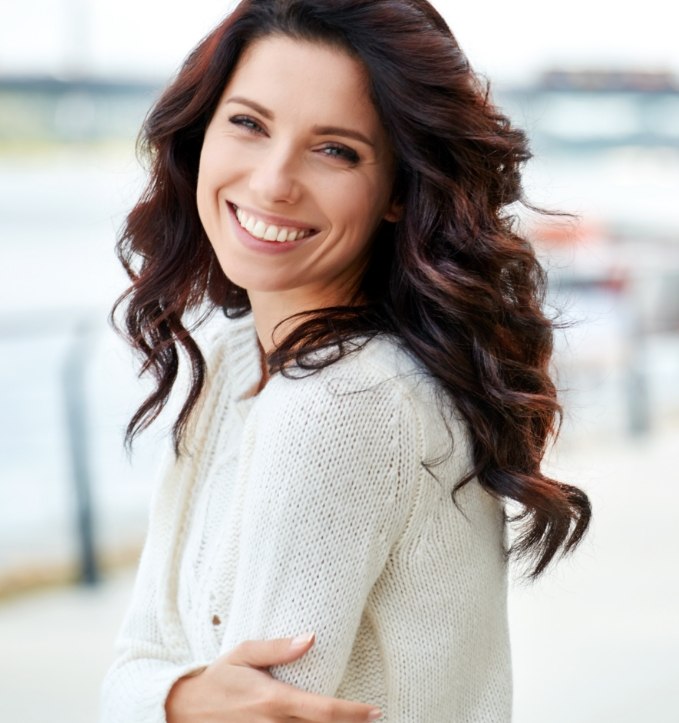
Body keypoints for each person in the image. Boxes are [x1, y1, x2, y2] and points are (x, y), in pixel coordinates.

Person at [101, 1, 591, 721]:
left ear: (396, 191)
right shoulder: (233, 359)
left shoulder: (343, 400)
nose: (272, 181)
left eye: (335, 149)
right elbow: (133, 661)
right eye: (248, 123)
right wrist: (178, 697)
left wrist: (163, 697)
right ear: (200, 130)